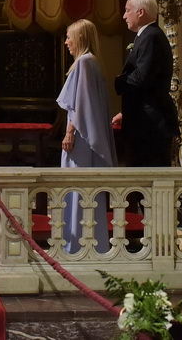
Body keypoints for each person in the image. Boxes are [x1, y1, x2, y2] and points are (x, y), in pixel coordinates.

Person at [57, 19, 117, 253]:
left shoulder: (83, 63)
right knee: (83, 191)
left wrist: (69, 133)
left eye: (69, 37)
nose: (66, 42)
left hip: (81, 139)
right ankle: (90, 242)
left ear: (80, 39)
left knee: (77, 188)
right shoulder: (92, 62)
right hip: (85, 138)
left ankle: (75, 245)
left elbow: (80, 107)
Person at [112, 0, 178, 166]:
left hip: (150, 126)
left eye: (127, 11)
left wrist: (118, 82)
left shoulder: (151, 36)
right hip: (144, 120)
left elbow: (142, 77)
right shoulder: (147, 35)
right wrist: (125, 112)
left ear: (140, 12)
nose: (124, 15)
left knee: (146, 182)